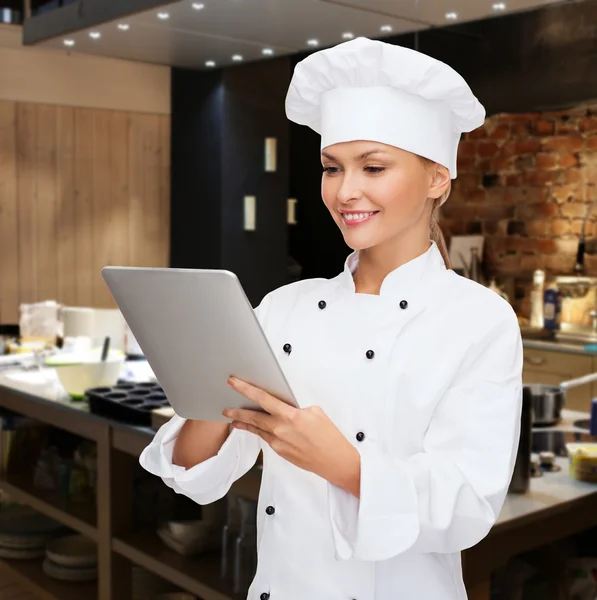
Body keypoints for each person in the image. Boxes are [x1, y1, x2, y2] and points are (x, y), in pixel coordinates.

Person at [140, 37, 523, 600]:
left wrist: (345, 465)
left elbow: (468, 506)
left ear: (438, 178)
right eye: (331, 168)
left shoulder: (479, 320)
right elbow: (196, 475)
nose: (346, 191)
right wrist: (206, 384)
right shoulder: (285, 306)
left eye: (373, 166)